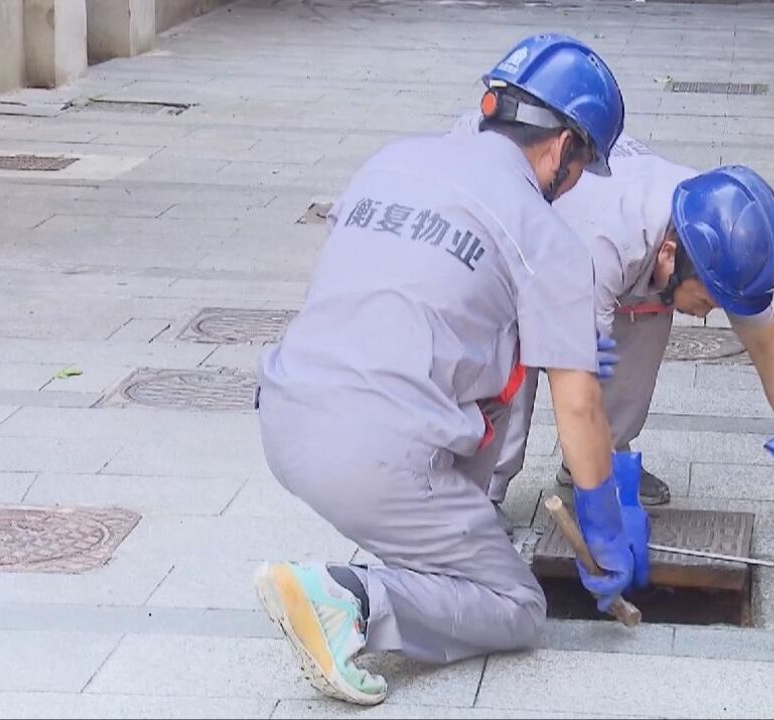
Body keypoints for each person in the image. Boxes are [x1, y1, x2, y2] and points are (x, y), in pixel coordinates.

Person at [250, 34, 649, 707]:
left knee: (487, 372)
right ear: (561, 147)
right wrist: (604, 527)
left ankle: (419, 553)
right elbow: (578, 404)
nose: (574, 186)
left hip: (284, 414)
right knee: (516, 603)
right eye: (582, 169)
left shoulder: (393, 161)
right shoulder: (542, 233)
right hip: (373, 459)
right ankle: (349, 599)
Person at [447, 113, 774, 531]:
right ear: (668, 253)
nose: (707, 315)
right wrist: (604, 512)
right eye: (705, 300)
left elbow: (768, 348)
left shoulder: (716, 231)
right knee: (516, 348)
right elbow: (575, 387)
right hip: (504, 230)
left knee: (648, 316)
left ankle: (597, 460)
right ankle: (479, 493)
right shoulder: (605, 249)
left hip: (615, 241)